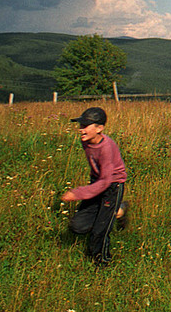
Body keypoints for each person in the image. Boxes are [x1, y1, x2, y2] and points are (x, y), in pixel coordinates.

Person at [61, 106, 127, 266]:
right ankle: (118, 210)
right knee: (78, 226)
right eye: (81, 126)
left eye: (85, 126)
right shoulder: (86, 141)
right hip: (97, 183)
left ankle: (102, 263)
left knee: (100, 230)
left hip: (112, 186)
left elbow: (106, 181)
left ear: (100, 128)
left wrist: (78, 193)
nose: (81, 130)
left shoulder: (106, 148)